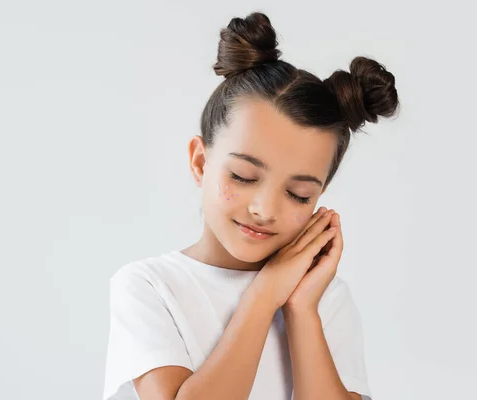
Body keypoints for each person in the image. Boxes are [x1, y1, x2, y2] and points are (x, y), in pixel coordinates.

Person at [103, 11, 399, 400]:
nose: (265, 209)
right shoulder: (149, 286)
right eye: (243, 176)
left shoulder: (324, 298)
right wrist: (264, 295)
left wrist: (300, 310)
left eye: (298, 194)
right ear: (200, 162)